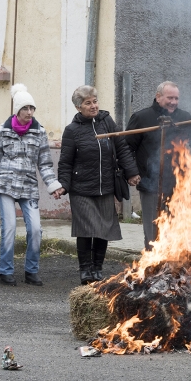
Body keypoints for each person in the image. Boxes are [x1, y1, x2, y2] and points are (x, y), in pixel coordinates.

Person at [0, 84, 63, 286]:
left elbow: (44, 163)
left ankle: (31, 271)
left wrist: (54, 186)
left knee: (35, 229)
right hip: (5, 183)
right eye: (25, 108)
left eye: (31, 108)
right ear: (17, 110)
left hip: (28, 185)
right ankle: (5, 270)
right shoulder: (4, 130)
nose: (29, 112)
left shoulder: (39, 132)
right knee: (9, 227)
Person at [125, 81, 191, 248]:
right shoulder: (142, 118)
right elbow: (126, 148)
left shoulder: (184, 117)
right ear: (158, 97)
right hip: (151, 184)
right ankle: (152, 265)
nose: (173, 102)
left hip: (178, 185)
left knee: (176, 228)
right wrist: (131, 172)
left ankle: (173, 267)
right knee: (153, 231)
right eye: (169, 98)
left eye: (176, 98)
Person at [58, 86, 140, 284]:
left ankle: (97, 268)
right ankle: (85, 269)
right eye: (88, 103)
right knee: (86, 229)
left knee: (104, 228)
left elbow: (121, 148)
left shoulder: (107, 122)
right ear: (79, 107)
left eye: (95, 101)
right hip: (81, 189)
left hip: (105, 186)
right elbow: (65, 161)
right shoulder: (72, 130)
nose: (93, 106)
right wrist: (63, 185)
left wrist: (132, 172)